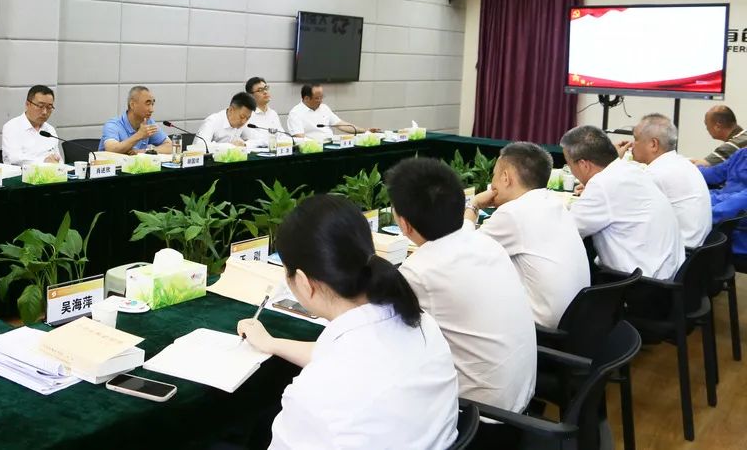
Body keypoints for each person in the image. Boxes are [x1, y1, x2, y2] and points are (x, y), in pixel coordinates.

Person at [237, 195, 459, 450]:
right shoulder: (422, 324)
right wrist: (272, 343)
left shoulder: (315, 393)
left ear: (303, 282)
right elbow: (341, 356)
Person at [386, 158, 536, 416]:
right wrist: (474, 206)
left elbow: (384, 338)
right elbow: (465, 227)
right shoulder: (485, 243)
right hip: (519, 397)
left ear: (404, 224)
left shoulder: (419, 271)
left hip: (479, 416)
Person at [465, 142, 589, 328]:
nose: (493, 184)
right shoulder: (554, 202)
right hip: (576, 318)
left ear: (505, 177)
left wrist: (473, 205)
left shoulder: (513, 213)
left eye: (494, 175)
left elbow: (462, 251)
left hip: (541, 326)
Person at [561, 125, 683, 280]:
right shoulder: (629, 170)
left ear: (584, 165)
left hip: (639, 283)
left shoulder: (602, 185)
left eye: (569, 164)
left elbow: (566, 231)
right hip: (665, 274)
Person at [615, 114, 711, 248]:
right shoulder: (681, 163)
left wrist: (612, 161)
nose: (631, 145)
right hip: (692, 250)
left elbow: (616, 206)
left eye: (636, 139)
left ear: (653, 144)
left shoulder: (655, 174)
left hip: (675, 251)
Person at [700, 147, 747, 255]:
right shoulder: (742, 153)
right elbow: (715, 173)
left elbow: (736, 203)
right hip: (725, 216)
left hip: (737, 238)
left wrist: (695, 206)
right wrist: (688, 169)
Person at [99, 86, 173, 155]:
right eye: (147, 104)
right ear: (132, 105)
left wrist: (143, 151)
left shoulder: (148, 122)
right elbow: (111, 149)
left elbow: (169, 146)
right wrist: (139, 135)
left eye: (152, 104)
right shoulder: (113, 125)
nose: (152, 110)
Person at [286, 83, 377, 139]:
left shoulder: (324, 108)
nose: (321, 100)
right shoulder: (295, 113)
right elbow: (299, 137)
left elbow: (341, 125)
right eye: (317, 98)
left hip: (331, 146)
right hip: (313, 151)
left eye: (322, 97)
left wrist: (365, 131)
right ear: (306, 98)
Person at [2, 85, 62, 166]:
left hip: (50, 172)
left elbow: (58, 159)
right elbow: (15, 159)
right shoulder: (12, 127)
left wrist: (57, 162)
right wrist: (44, 162)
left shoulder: (50, 129)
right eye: (40, 106)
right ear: (28, 104)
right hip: (22, 173)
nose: (44, 112)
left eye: (49, 107)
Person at [244, 77, 283, 143]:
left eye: (266, 88)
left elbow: (282, 135)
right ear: (250, 95)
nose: (265, 92)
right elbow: (254, 139)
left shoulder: (273, 113)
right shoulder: (246, 115)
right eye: (260, 90)